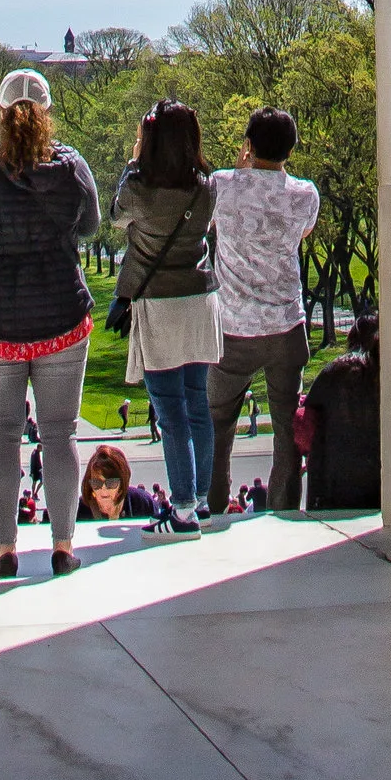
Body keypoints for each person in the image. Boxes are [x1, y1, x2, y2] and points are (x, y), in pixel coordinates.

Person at [0, 67, 99, 581]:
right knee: (60, 435)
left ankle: (5, 549)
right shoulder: (73, 167)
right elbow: (92, 226)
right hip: (60, 315)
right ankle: (62, 545)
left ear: (1, 113)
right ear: (47, 113)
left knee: (4, 436)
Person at [110, 100, 218, 531]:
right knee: (197, 406)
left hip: (159, 304)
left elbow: (118, 218)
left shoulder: (139, 187)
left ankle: (184, 507)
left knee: (170, 411)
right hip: (199, 300)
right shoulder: (205, 186)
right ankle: (202, 499)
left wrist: (132, 164)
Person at [206, 106, 319, 516]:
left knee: (218, 429)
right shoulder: (305, 194)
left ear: (248, 145)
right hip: (286, 327)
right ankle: (284, 512)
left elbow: (212, 224)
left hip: (232, 329)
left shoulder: (221, 185)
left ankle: (215, 510)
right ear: (290, 149)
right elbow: (302, 232)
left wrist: (241, 171)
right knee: (287, 433)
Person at [296, 304, 382, 511]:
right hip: (376, 481)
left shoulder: (333, 370)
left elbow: (304, 423)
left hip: (331, 481)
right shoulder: (386, 374)